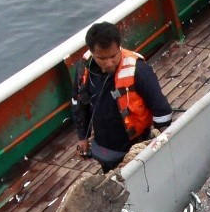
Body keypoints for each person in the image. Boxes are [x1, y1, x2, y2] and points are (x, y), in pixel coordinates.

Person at [73, 21, 173, 172]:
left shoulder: (139, 71)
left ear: (119, 47)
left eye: (113, 56)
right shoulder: (84, 69)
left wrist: (161, 143)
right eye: (102, 58)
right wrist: (82, 137)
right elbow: (78, 103)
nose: (108, 63)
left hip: (135, 146)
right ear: (92, 53)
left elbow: (162, 111)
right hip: (104, 145)